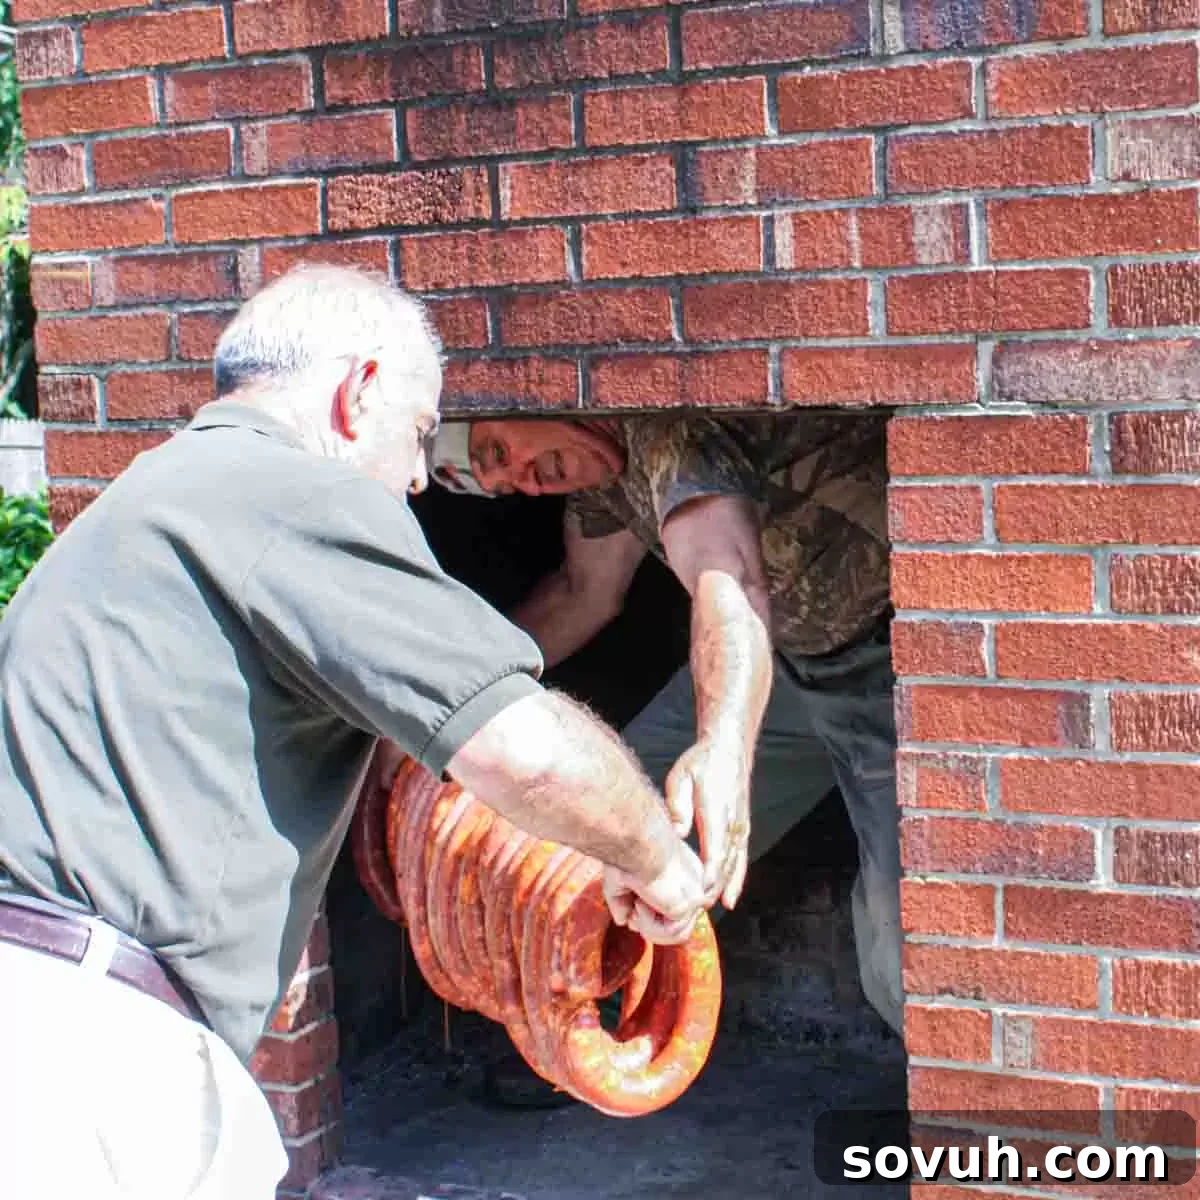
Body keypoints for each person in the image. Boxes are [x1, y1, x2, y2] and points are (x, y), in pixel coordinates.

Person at [0, 266, 706, 1200]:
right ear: (356, 391)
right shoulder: (293, 494)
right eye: (417, 433)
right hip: (90, 1061)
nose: (420, 476)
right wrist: (658, 861)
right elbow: (520, 751)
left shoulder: (163, 488)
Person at [430, 411, 902, 1078]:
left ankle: (973, 1128)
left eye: (499, 447)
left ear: (534, 399)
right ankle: (584, 1046)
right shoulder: (600, 478)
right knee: (592, 829)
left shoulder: (666, 434)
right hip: (789, 661)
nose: (523, 481)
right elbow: (582, 593)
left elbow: (729, 576)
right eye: (498, 481)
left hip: (897, 661)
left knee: (903, 945)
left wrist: (723, 747)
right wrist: (440, 701)